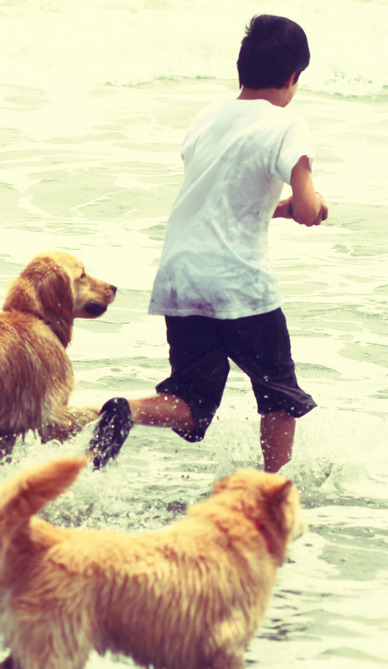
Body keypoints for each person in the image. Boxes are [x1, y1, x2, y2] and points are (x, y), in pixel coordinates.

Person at [89, 14, 328, 474]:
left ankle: (129, 410)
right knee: (278, 393)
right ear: (294, 77)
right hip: (238, 281)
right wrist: (314, 207)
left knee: (191, 403)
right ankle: (272, 487)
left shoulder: (206, 117)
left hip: (180, 277)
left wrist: (270, 207)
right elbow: (307, 207)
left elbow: (222, 190)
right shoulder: (288, 125)